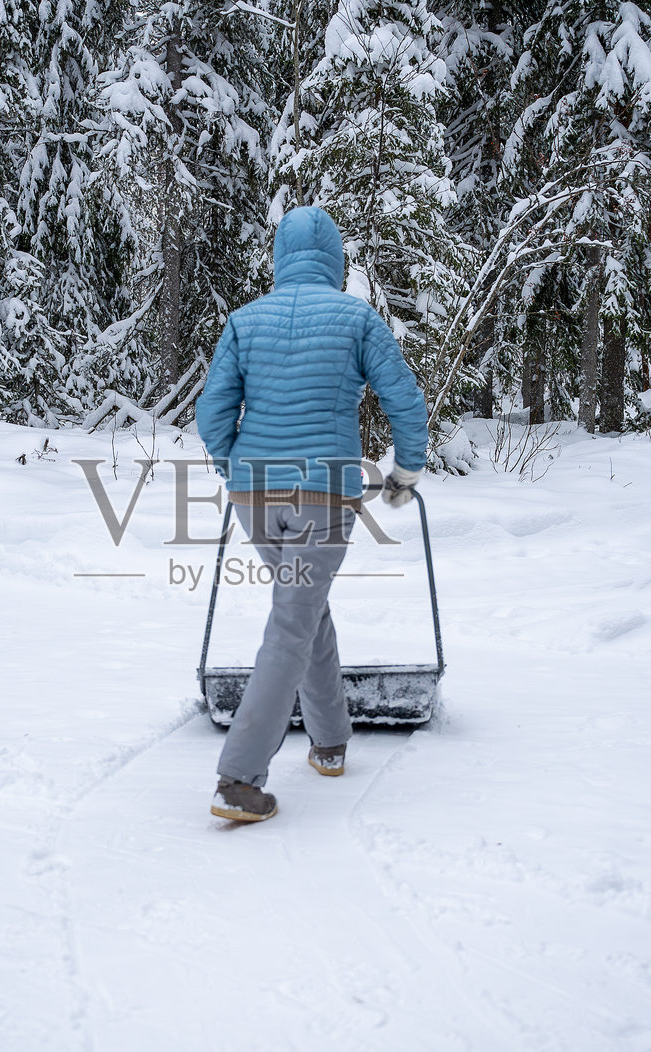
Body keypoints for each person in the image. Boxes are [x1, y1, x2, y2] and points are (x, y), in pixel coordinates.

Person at [195, 206, 430, 823]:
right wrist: (405, 470)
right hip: (322, 492)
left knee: (304, 606)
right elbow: (403, 396)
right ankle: (239, 778)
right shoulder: (356, 318)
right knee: (293, 622)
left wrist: (234, 469)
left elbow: (212, 414)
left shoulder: (244, 321)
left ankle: (329, 742)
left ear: (279, 258)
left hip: (255, 497)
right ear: (335, 259)